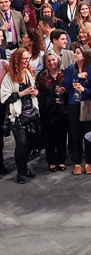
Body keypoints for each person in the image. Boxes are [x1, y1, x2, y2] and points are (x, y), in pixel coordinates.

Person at [1, 48, 40, 183]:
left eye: (27, 58)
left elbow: (33, 89)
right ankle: (19, 173)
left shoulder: (28, 73)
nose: (26, 61)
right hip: (17, 116)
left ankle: (24, 169)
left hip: (30, 113)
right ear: (17, 60)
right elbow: (4, 98)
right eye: (24, 59)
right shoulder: (9, 77)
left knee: (29, 144)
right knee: (21, 143)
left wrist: (35, 92)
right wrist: (22, 94)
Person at [65, 45, 91, 175]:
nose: (75, 55)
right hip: (73, 104)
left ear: (84, 56)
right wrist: (77, 76)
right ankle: (77, 163)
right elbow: (66, 84)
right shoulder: (70, 68)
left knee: (89, 134)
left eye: (77, 53)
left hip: (87, 104)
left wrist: (85, 90)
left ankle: (89, 162)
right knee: (75, 134)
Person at [36, 53, 68, 173]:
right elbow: (38, 93)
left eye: (53, 60)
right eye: (49, 61)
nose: (51, 63)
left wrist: (64, 90)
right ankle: (51, 161)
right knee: (49, 137)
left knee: (62, 136)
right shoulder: (41, 75)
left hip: (62, 109)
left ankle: (61, 160)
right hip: (47, 110)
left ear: (58, 60)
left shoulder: (64, 73)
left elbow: (69, 88)